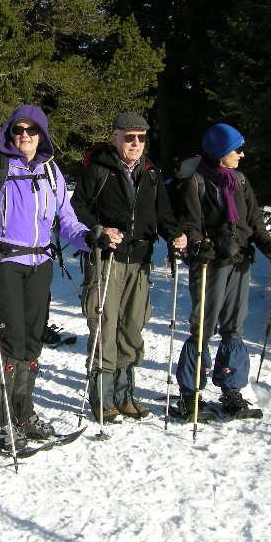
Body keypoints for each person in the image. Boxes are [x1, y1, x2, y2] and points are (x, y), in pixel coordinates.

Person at [0, 105, 90, 447]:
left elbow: (66, 219)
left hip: (40, 263)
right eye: (18, 129)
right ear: (10, 132)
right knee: (11, 341)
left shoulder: (50, 169)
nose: (24, 135)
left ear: (42, 135)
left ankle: (22, 413)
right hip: (4, 260)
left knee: (33, 341)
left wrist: (89, 238)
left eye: (32, 130)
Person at [71, 112, 186, 422]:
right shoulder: (98, 170)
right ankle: (103, 398)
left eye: (142, 137)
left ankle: (125, 396)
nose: (136, 143)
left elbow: (163, 214)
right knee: (104, 325)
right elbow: (76, 208)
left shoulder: (151, 173)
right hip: (107, 260)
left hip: (139, 261)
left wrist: (175, 234)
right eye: (129, 137)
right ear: (115, 138)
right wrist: (99, 229)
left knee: (132, 326)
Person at [173, 123, 271, 419]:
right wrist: (201, 245)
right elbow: (191, 225)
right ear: (222, 153)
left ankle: (231, 390)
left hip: (239, 262)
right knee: (203, 327)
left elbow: (255, 221)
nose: (242, 154)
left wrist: (268, 244)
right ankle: (190, 393)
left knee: (234, 326)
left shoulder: (240, 181)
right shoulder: (197, 182)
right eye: (237, 149)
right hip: (210, 264)